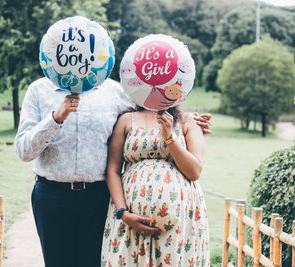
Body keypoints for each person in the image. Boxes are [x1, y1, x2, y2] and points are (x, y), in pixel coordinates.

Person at [14, 75, 211, 266]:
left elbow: (150, 107)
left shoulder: (114, 92)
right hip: (52, 196)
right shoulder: (39, 90)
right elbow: (23, 151)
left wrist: (189, 119)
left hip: (97, 198)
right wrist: (55, 119)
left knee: (94, 263)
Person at [101, 106, 210, 266]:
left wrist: (169, 138)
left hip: (180, 224)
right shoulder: (126, 120)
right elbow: (112, 171)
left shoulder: (187, 120)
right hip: (129, 223)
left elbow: (194, 172)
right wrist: (122, 212)